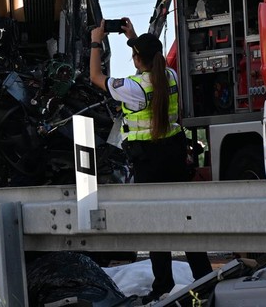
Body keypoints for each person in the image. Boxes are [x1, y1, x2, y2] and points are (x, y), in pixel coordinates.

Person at [88, 17, 213, 301]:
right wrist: (132, 38)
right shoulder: (170, 76)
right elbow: (149, 58)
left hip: (148, 160)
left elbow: (95, 77)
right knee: (185, 218)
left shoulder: (132, 88)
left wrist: (97, 40)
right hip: (174, 152)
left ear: (136, 59)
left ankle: (163, 287)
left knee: (157, 223)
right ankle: (204, 277)